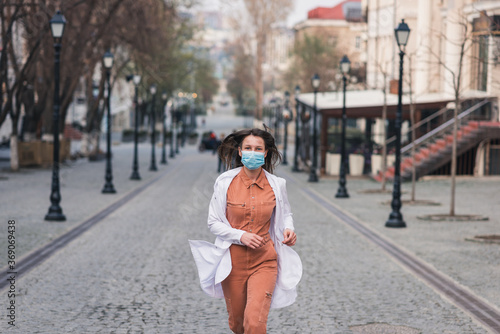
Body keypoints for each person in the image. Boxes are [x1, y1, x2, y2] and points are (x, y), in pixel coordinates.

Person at [189, 128, 302, 334]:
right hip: (232, 263)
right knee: (238, 324)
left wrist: (289, 229)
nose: (253, 152)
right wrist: (241, 236)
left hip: (265, 261)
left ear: (265, 153)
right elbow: (213, 222)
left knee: (255, 323)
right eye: (248, 148)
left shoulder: (277, 184)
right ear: (240, 152)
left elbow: (286, 214)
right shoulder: (224, 182)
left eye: (258, 148)